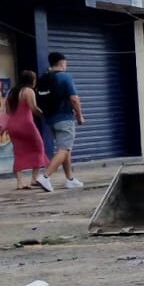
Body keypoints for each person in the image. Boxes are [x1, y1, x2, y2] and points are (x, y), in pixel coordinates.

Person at [36, 53, 84, 191]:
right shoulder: (65, 76)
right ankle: (45, 177)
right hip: (64, 118)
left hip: (51, 119)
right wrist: (80, 116)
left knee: (65, 148)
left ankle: (70, 179)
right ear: (62, 63)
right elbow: (74, 98)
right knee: (64, 149)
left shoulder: (44, 78)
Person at [0, 71, 48, 191]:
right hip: (26, 125)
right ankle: (34, 178)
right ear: (32, 80)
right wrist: (45, 115)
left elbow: (7, 110)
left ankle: (20, 182)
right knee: (39, 147)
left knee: (18, 152)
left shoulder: (12, 92)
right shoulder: (28, 91)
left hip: (13, 126)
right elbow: (33, 108)